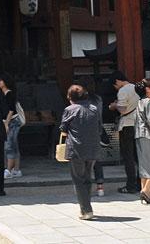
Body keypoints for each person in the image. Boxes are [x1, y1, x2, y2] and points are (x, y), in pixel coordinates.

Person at [59, 83, 102, 220]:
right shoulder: (94, 108)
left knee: (78, 179)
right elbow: (99, 128)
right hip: (93, 148)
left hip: (76, 148)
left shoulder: (69, 110)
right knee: (87, 178)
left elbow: (63, 130)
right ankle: (85, 207)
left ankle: (86, 210)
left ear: (70, 97)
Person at [110, 70, 140, 195]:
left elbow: (122, 110)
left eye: (115, 85)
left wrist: (114, 106)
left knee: (128, 157)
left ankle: (130, 185)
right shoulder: (137, 88)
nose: (115, 88)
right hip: (139, 124)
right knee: (139, 156)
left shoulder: (123, 91)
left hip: (127, 125)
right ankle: (141, 183)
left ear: (117, 81)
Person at [0, 76, 25, 179]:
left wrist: (6, 123)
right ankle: (16, 170)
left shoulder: (9, 94)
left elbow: (11, 110)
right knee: (14, 145)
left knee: (9, 146)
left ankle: (8, 170)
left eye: (0, 80)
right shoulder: (3, 94)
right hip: (10, 121)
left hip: (12, 121)